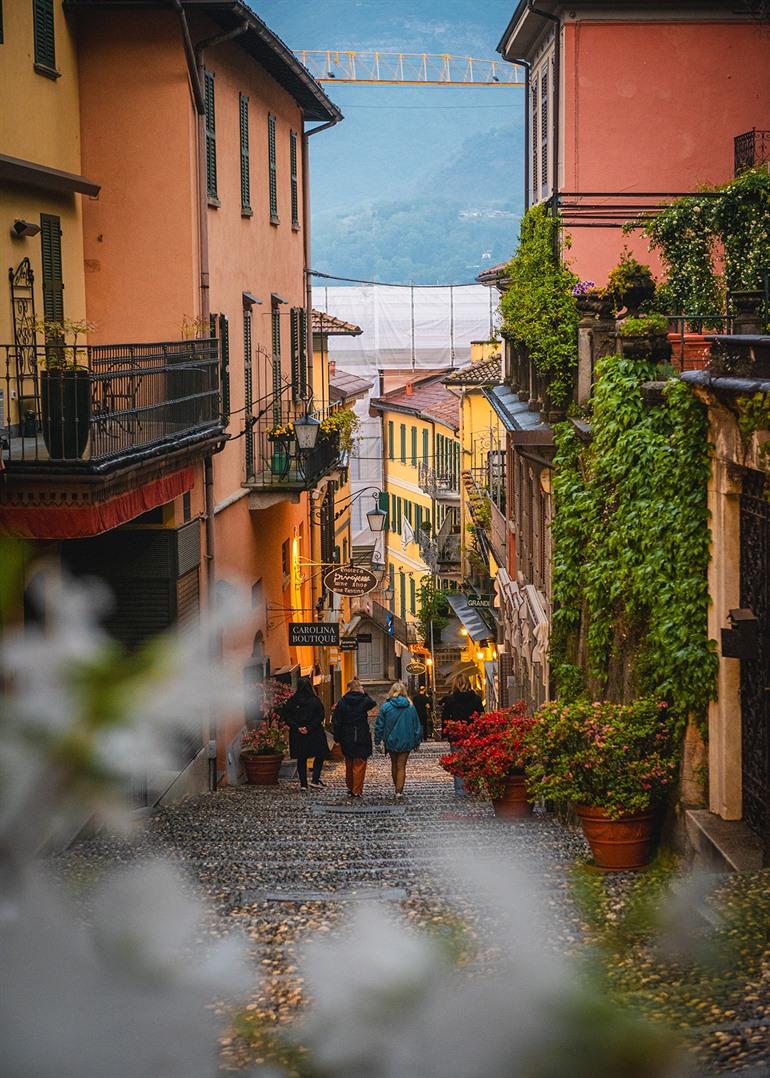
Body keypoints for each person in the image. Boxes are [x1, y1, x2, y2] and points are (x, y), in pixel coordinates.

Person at [374, 681, 422, 801]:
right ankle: (399, 791)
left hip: (390, 740)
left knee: (394, 764)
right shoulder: (410, 707)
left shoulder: (386, 707)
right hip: (406, 740)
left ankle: (397, 787)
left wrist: (377, 741)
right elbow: (417, 725)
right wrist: (417, 742)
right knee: (401, 766)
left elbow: (379, 725)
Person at [332, 677, 377, 800]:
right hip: (361, 735)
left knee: (349, 762)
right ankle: (356, 790)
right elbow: (373, 703)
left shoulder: (342, 701)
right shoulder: (364, 700)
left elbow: (337, 721)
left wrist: (337, 737)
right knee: (360, 763)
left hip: (346, 736)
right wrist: (364, 693)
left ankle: (350, 786)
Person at [441, 674, 484, 796]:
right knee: (472, 761)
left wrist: (447, 733)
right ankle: (473, 787)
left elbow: (445, 717)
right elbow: (481, 715)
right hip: (472, 734)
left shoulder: (450, 700)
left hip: (456, 735)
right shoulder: (476, 699)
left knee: (458, 762)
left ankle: (460, 789)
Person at [283, 677, 328, 790]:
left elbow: (287, 716)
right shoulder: (315, 700)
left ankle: (303, 783)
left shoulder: (292, 701)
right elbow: (320, 716)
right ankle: (315, 779)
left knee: (301, 758)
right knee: (319, 755)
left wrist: (298, 728)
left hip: (297, 734)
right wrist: (308, 727)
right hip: (314, 732)